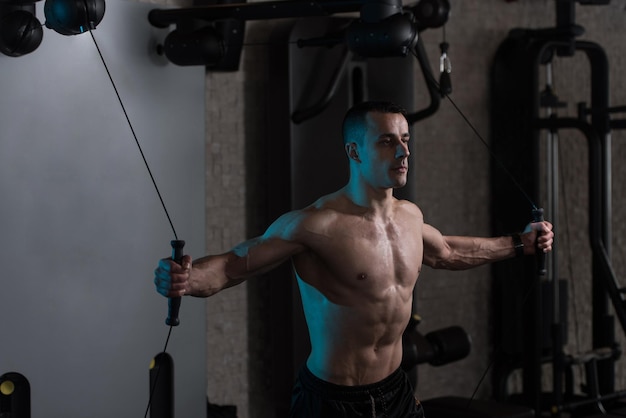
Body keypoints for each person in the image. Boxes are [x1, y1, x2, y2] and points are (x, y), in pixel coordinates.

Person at [153, 101, 554, 418]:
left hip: (397, 390)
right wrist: (186, 281)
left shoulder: (411, 217)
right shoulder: (315, 225)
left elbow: (448, 252)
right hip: (332, 402)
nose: (402, 151)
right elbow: (232, 266)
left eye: (405, 139)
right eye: (386, 141)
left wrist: (521, 244)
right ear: (353, 150)